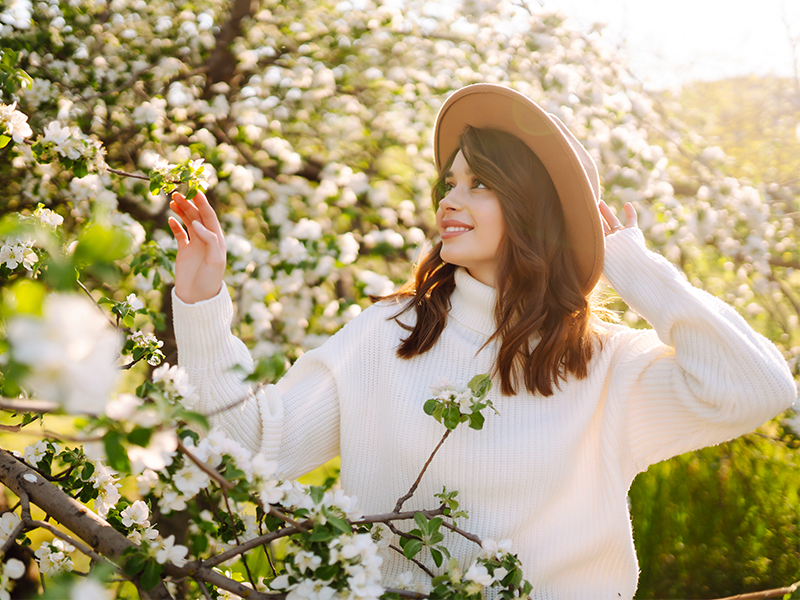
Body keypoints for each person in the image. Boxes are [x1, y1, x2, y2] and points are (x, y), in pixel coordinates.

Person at [167, 84, 796, 599]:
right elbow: (252, 448)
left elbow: (757, 388)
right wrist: (201, 306)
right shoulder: (391, 336)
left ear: (531, 208)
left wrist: (630, 265)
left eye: (479, 184)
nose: (449, 200)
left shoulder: (605, 364)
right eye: (450, 181)